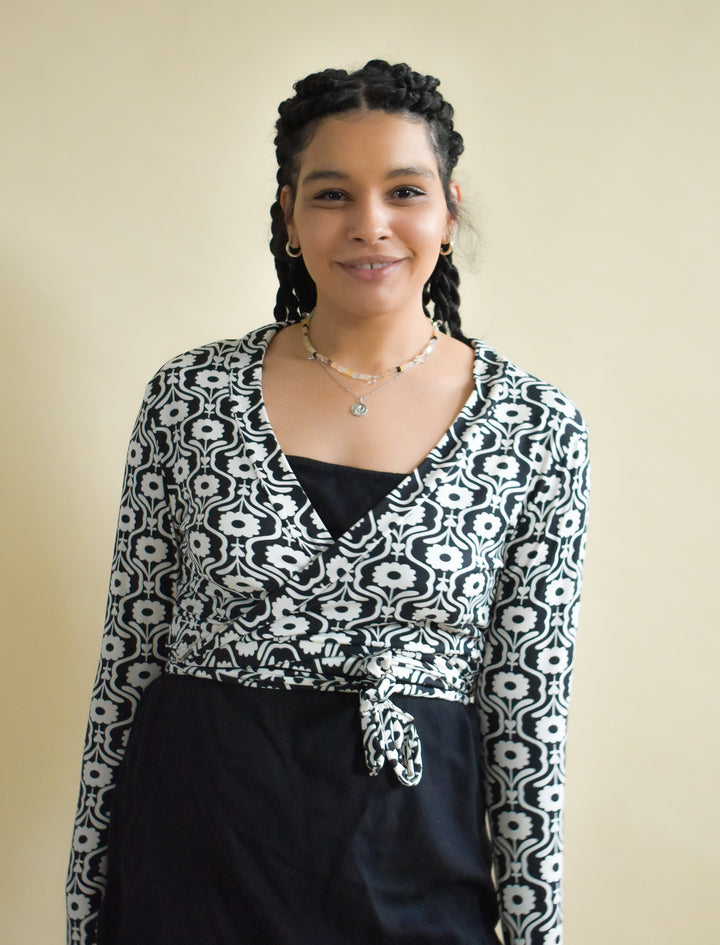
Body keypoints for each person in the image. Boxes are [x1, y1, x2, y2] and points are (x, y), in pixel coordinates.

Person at [67, 60, 589, 945]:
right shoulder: (190, 397)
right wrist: (87, 902)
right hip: (192, 863)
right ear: (288, 214)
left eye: (405, 191)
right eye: (333, 194)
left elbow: (528, 707)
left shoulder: (536, 427)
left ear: (449, 211)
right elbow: (129, 659)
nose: (369, 224)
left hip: (412, 867)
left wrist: (537, 928)